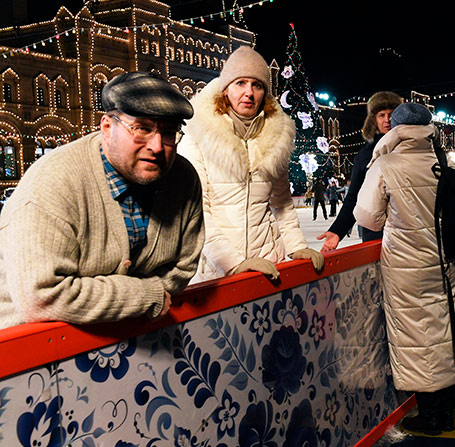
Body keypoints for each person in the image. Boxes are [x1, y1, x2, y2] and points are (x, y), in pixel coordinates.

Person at [0, 72, 204, 329]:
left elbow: (184, 268)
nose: (156, 145)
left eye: (168, 133)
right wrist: (143, 295)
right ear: (107, 127)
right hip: (27, 349)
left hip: (133, 340)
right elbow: (42, 297)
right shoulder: (53, 181)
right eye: (142, 129)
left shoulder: (183, 178)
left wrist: (99, 300)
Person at [354, 102, 455, 435]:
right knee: (443, 330)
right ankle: (445, 411)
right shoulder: (440, 160)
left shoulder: (386, 164)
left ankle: (429, 416)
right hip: (444, 260)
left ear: (398, 129)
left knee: (416, 336)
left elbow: (368, 215)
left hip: (406, 264)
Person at [179, 46, 323, 283]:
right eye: (240, 83)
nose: (249, 92)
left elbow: (282, 204)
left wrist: (297, 246)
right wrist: (234, 264)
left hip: (269, 264)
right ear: (225, 90)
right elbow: (197, 213)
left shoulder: (276, 139)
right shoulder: (198, 136)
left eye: (257, 85)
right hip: (217, 270)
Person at [317, 91, 403, 252]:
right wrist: (337, 231)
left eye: (391, 114)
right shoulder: (365, 156)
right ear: (373, 120)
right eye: (381, 115)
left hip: (410, 233)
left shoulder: (413, 149)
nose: (387, 120)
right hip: (377, 234)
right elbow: (354, 197)